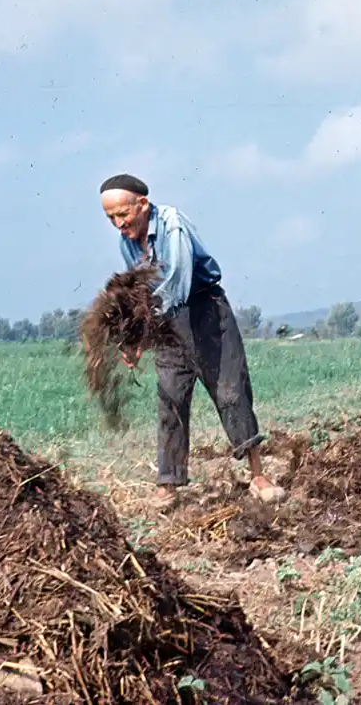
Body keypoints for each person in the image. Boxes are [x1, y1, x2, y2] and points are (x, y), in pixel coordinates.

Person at [98, 173, 287, 510]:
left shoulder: (173, 225)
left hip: (205, 312)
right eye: (110, 217)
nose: (118, 223)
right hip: (168, 322)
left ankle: (258, 475)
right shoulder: (127, 241)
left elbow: (177, 284)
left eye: (123, 214)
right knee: (170, 398)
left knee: (231, 393)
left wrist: (148, 321)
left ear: (142, 204)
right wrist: (135, 337)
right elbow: (140, 292)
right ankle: (168, 485)